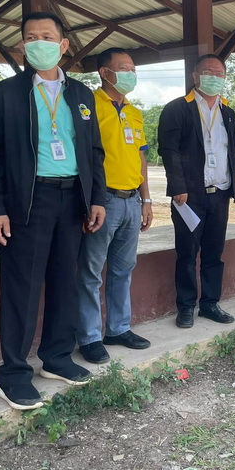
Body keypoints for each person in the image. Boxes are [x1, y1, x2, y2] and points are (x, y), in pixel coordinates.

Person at [0, 11, 106, 411]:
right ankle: (13, 374)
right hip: (27, 202)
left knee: (66, 281)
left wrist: (96, 198)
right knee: (23, 287)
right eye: (31, 37)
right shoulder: (5, 94)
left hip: (72, 200)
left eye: (47, 36)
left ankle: (56, 357)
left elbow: (94, 152)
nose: (39, 43)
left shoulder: (81, 94)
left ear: (63, 45)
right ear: (22, 45)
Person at [76, 48, 153, 365]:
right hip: (102, 200)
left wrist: (146, 199)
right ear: (105, 73)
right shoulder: (89, 106)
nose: (130, 74)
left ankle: (118, 329)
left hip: (132, 200)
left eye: (133, 69)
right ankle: (89, 337)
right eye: (124, 68)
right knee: (91, 272)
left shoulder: (135, 112)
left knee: (123, 269)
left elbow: (141, 157)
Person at [157, 54, 235, 329]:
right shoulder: (178, 108)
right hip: (189, 197)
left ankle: (210, 304)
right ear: (195, 76)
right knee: (187, 253)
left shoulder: (228, 112)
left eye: (220, 73)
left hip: (220, 193)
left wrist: (231, 187)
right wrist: (178, 187)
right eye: (208, 72)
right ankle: (185, 307)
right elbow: (169, 151)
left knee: (214, 253)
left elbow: (233, 149)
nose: (215, 77)